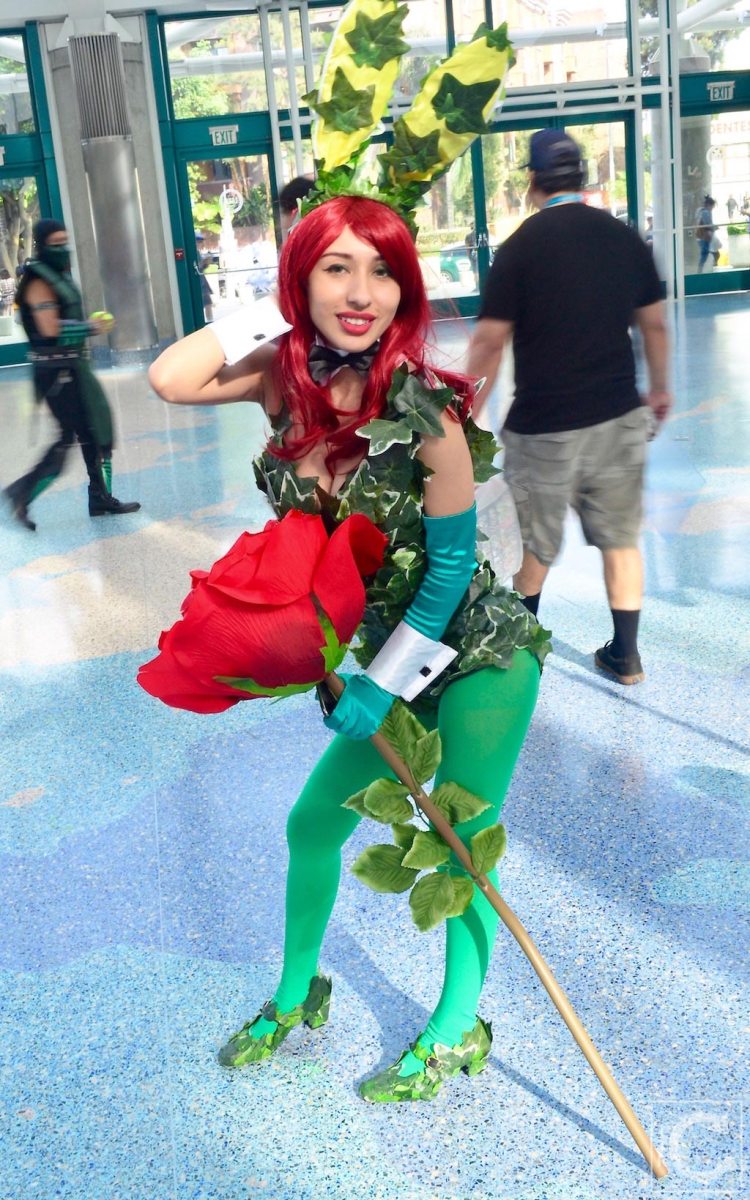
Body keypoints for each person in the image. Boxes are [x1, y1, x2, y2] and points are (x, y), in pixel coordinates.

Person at [148, 192, 550, 1103]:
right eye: (337, 267)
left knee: (462, 846)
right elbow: (171, 378)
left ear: (405, 291)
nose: (360, 291)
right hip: (379, 664)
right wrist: (274, 309)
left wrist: (380, 683)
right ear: (302, 279)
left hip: (478, 656)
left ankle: (458, 1024)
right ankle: (298, 994)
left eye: (382, 270)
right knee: (311, 824)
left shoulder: (431, 417)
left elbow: (449, 579)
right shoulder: (279, 383)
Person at [466, 128, 672, 685]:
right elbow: (653, 323)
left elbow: (489, 341)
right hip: (618, 416)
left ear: (533, 181)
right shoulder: (623, 238)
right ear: (581, 178)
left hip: (544, 428)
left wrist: (466, 410)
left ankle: (523, 659)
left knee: (536, 545)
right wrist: (659, 389)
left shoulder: (521, 247)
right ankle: (625, 657)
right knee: (621, 538)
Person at [4, 219, 140, 531]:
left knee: (95, 430)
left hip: (73, 368)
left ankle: (99, 497)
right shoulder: (38, 279)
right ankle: (21, 493)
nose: (63, 248)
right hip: (55, 373)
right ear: (42, 245)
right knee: (69, 437)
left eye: (66, 240)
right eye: (55, 242)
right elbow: (50, 328)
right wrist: (90, 327)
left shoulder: (57, 274)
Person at [695, 195, 716, 273]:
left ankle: (700, 269)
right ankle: (700, 270)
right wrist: (714, 228)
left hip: (700, 235)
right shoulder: (706, 212)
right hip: (704, 235)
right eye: (712, 206)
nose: (712, 208)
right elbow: (708, 224)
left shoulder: (699, 211)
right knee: (705, 252)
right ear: (709, 205)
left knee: (705, 252)